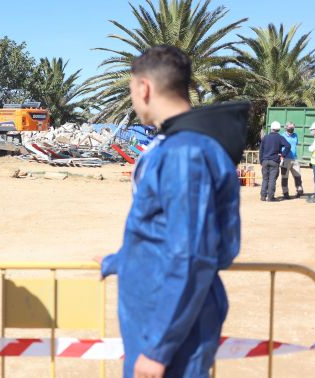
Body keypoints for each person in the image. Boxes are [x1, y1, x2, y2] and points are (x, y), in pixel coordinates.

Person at [97, 46, 246, 378]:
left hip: (170, 328)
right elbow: (163, 231)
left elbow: (192, 253)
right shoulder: (176, 144)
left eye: (131, 91)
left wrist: (157, 349)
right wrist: (120, 260)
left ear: (143, 88)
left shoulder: (186, 153)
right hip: (158, 315)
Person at [259, 121, 291, 202]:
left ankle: (263, 196)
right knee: (272, 179)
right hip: (274, 161)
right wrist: (282, 155)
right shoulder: (280, 137)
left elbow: (261, 150)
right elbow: (288, 146)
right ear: (279, 129)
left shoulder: (265, 137)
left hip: (265, 161)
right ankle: (270, 197)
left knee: (265, 179)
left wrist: (261, 161)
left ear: (271, 128)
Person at [280, 122, 304, 199]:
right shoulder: (282, 136)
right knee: (284, 177)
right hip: (285, 159)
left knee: (298, 176)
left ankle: (299, 190)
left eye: (293, 127)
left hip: (294, 159)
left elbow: (295, 144)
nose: (292, 129)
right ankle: (285, 193)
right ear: (286, 128)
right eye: (290, 127)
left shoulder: (295, 135)